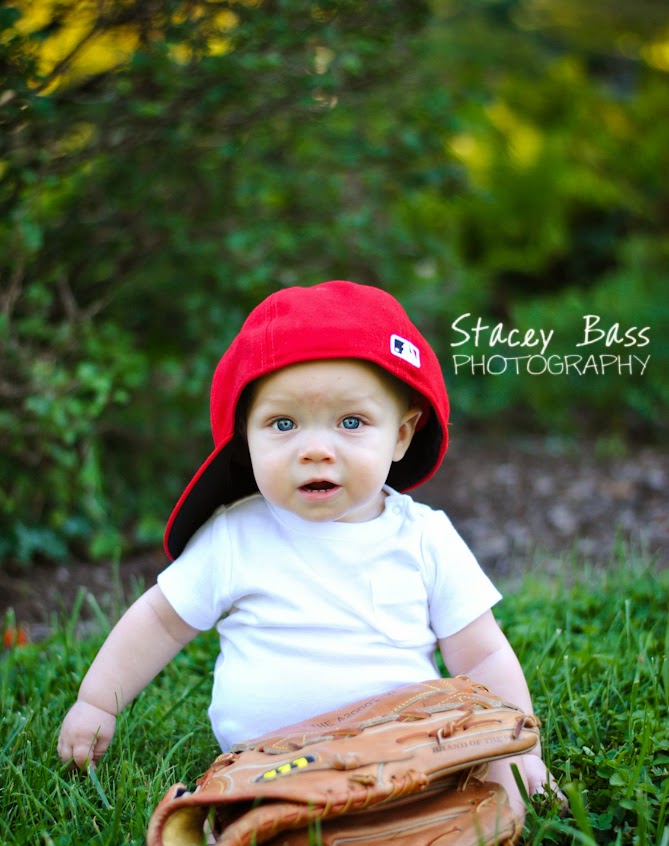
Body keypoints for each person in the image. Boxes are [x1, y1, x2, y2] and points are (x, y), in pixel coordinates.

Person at [58, 280, 560, 817]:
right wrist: (98, 701)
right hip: (264, 765)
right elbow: (161, 621)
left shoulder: (424, 537)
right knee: (265, 836)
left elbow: (481, 654)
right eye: (283, 423)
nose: (316, 449)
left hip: (401, 754)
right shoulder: (235, 536)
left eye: (351, 422)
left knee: (477, 798)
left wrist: (519, 745)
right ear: (245, 439)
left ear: (401, 435)